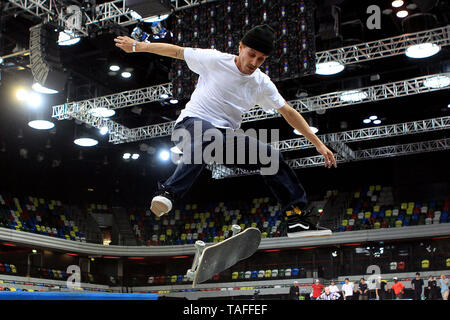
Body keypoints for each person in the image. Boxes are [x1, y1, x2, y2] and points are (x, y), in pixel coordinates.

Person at [114, 25, 337, 239]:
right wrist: (137, 46)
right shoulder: (214, 60)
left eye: (260, 59)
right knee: (210, 134)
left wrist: (317, 143)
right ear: (240, 47)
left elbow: (288, 111)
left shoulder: (261, 83)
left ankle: (295, 217)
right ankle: (168, 192)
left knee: (271, 156)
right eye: (251, 55)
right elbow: (177, 51)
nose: (254, 63)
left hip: (223, 140)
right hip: (189, 127)